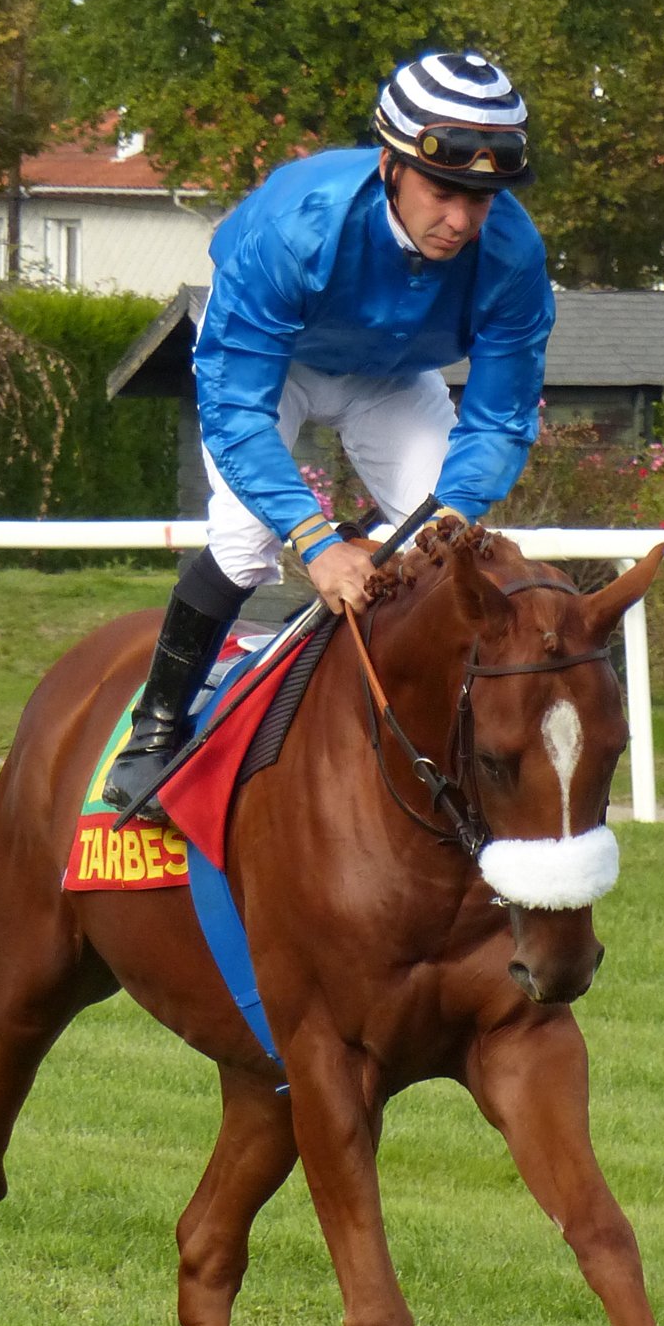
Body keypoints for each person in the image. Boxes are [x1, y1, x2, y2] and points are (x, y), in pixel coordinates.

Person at [103, 49, 555, 821]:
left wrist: (445, 514)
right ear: (390, 167)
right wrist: (316, 543)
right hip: (271, 369)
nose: (461, 222)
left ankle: (425, 731)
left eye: (483, 199)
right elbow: (238, 412)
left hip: (391, 375)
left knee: (451, 546)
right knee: (246, 542)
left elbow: (500, 418)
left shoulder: (514, 254)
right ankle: (154, 729)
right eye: (444, 191)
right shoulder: (295, 227)